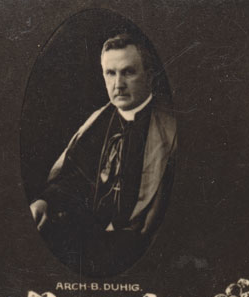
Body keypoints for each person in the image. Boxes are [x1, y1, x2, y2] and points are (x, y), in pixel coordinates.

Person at [29, 33, 177, 272]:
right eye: (110, 73)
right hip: (89, 242)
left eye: (128, 72)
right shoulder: (97, 123)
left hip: (143, 250)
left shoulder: (172, 131)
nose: (118, 84)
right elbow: (73, 180)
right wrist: (45, 201)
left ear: (149, 76)